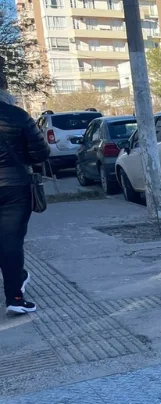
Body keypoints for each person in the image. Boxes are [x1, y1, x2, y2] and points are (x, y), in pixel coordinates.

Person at [0, 65, 50, 314]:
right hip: (14, 186)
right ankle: (14, 298)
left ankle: (18, 278)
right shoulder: (18, 115)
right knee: (10, 241)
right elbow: (41, 152)